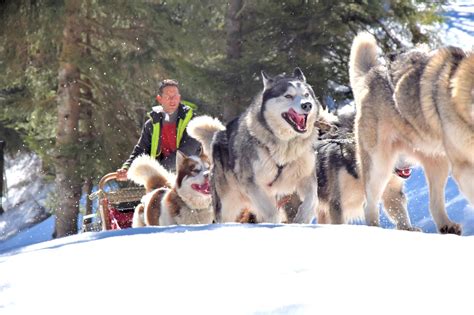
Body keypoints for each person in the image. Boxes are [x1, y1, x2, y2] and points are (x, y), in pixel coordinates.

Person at [117, 79, 201, 180]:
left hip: (193, 177)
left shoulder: (193, 122)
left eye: (175, 96)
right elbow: (141, 150)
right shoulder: (151, 124)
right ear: (159, 99)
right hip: (163, 179)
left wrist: (157, 169)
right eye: (168, 97)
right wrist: (127, 168)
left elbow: (185, 153)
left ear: (179, 97)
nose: (172, 100)